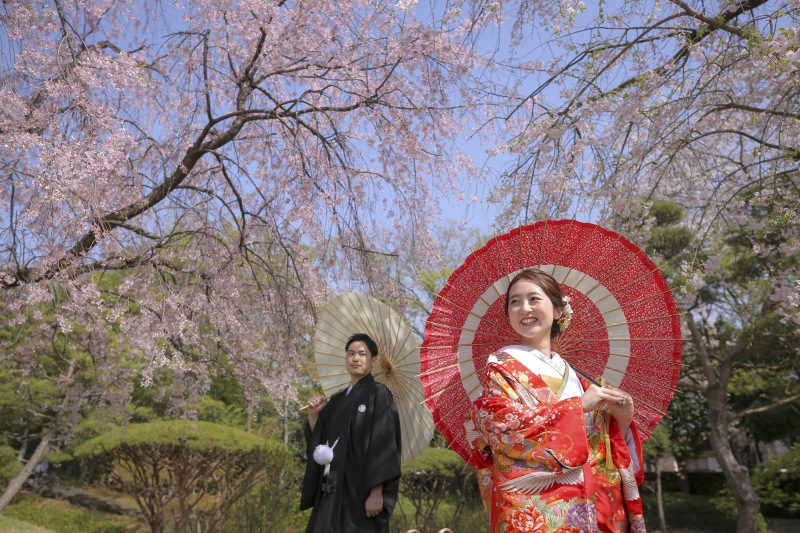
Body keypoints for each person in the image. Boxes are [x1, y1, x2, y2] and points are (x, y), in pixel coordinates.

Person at [465, 268, 647, 533]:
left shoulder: (579, 378)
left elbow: (603, 451)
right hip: (539, 507)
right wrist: (579, 407)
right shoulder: (502, 366)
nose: (524, 308)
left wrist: (621, 419)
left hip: (596, 504)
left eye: (534, 299)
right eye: (515, 302)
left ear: (559, 311)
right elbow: (498, 425)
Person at [301, 333, 402, 533]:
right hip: (330, 488)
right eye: (351, 353)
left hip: (359, 491)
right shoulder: (337, 400)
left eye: (362, 354)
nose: (355, 358)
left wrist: (376, 492)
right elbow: (319, 442)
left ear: (373, 361)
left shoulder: (378, 394)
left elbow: (383, 443)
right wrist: (314, 416)